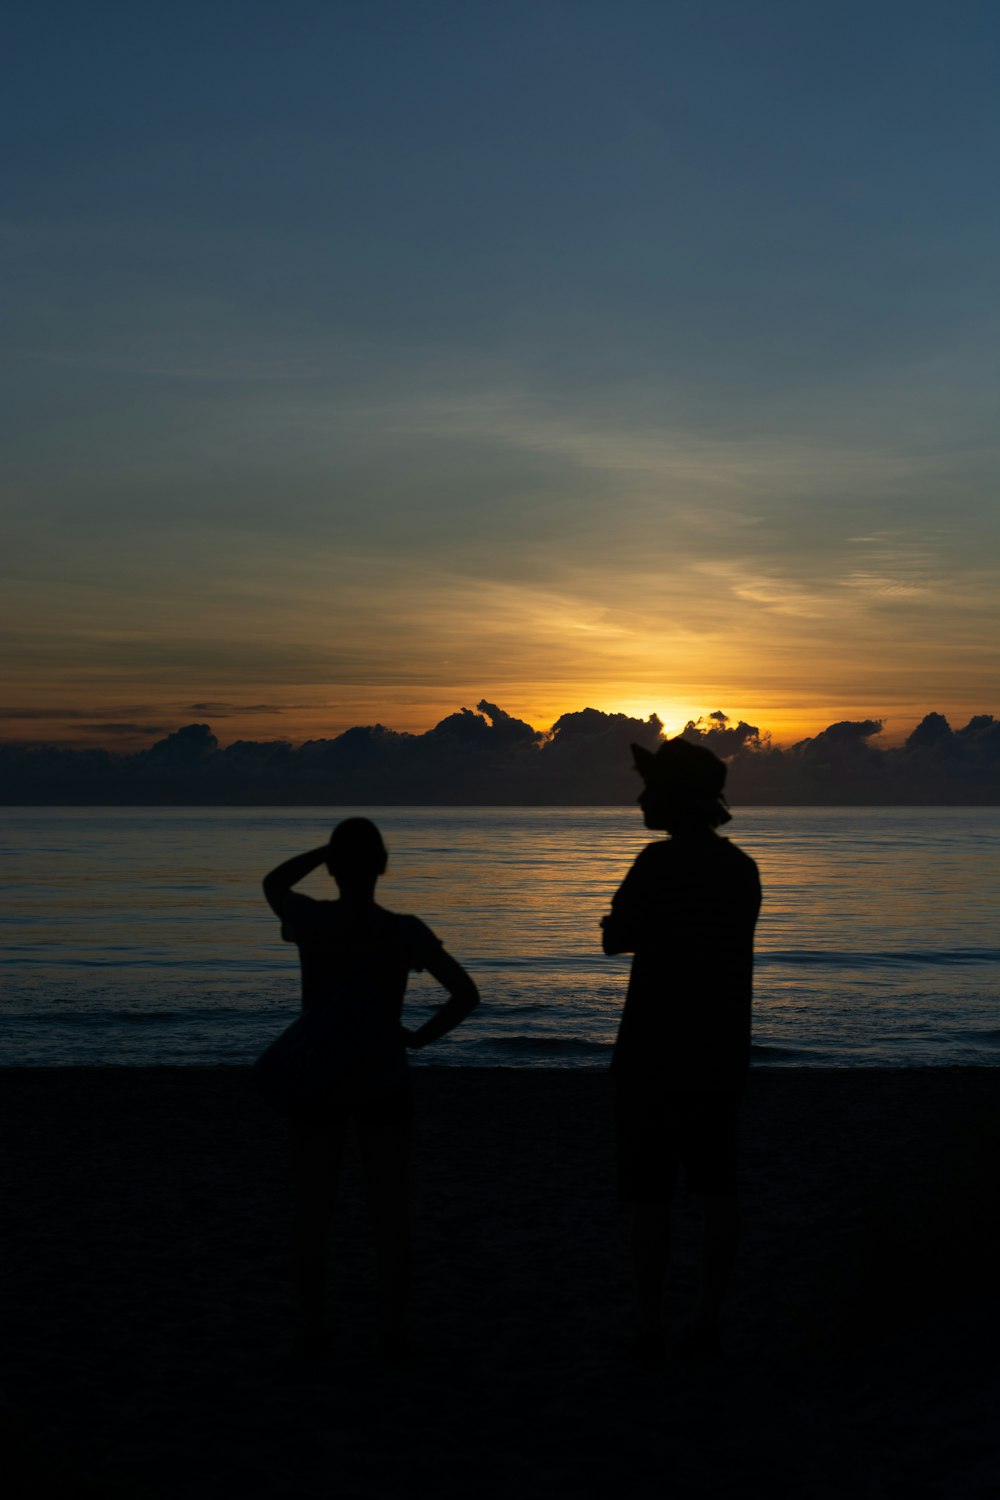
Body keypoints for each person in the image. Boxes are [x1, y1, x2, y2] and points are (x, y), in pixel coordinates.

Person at [261, 817, 479, 1361]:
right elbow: (465, 994)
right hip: (384, 1080)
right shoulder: (403, 931)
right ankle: (393, 1331)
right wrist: (419, 1039)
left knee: (314, 1211)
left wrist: (326, 850)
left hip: (318, 1081)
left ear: (333, 866)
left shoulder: (313, 921)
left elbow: (272, 883)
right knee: (389, 1213)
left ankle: (314, 1330)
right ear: (383, 866)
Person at [601, 738, 761, 1362]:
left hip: (652, 1049)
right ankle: (707, 1320)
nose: (641, 798)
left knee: (650, 1197)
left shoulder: (655, 865)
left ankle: (649, 1324)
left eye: (651, 788)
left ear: (676, 798)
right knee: (717, 1189)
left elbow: (617, 938)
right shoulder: (740, 867)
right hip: (720, 1047)